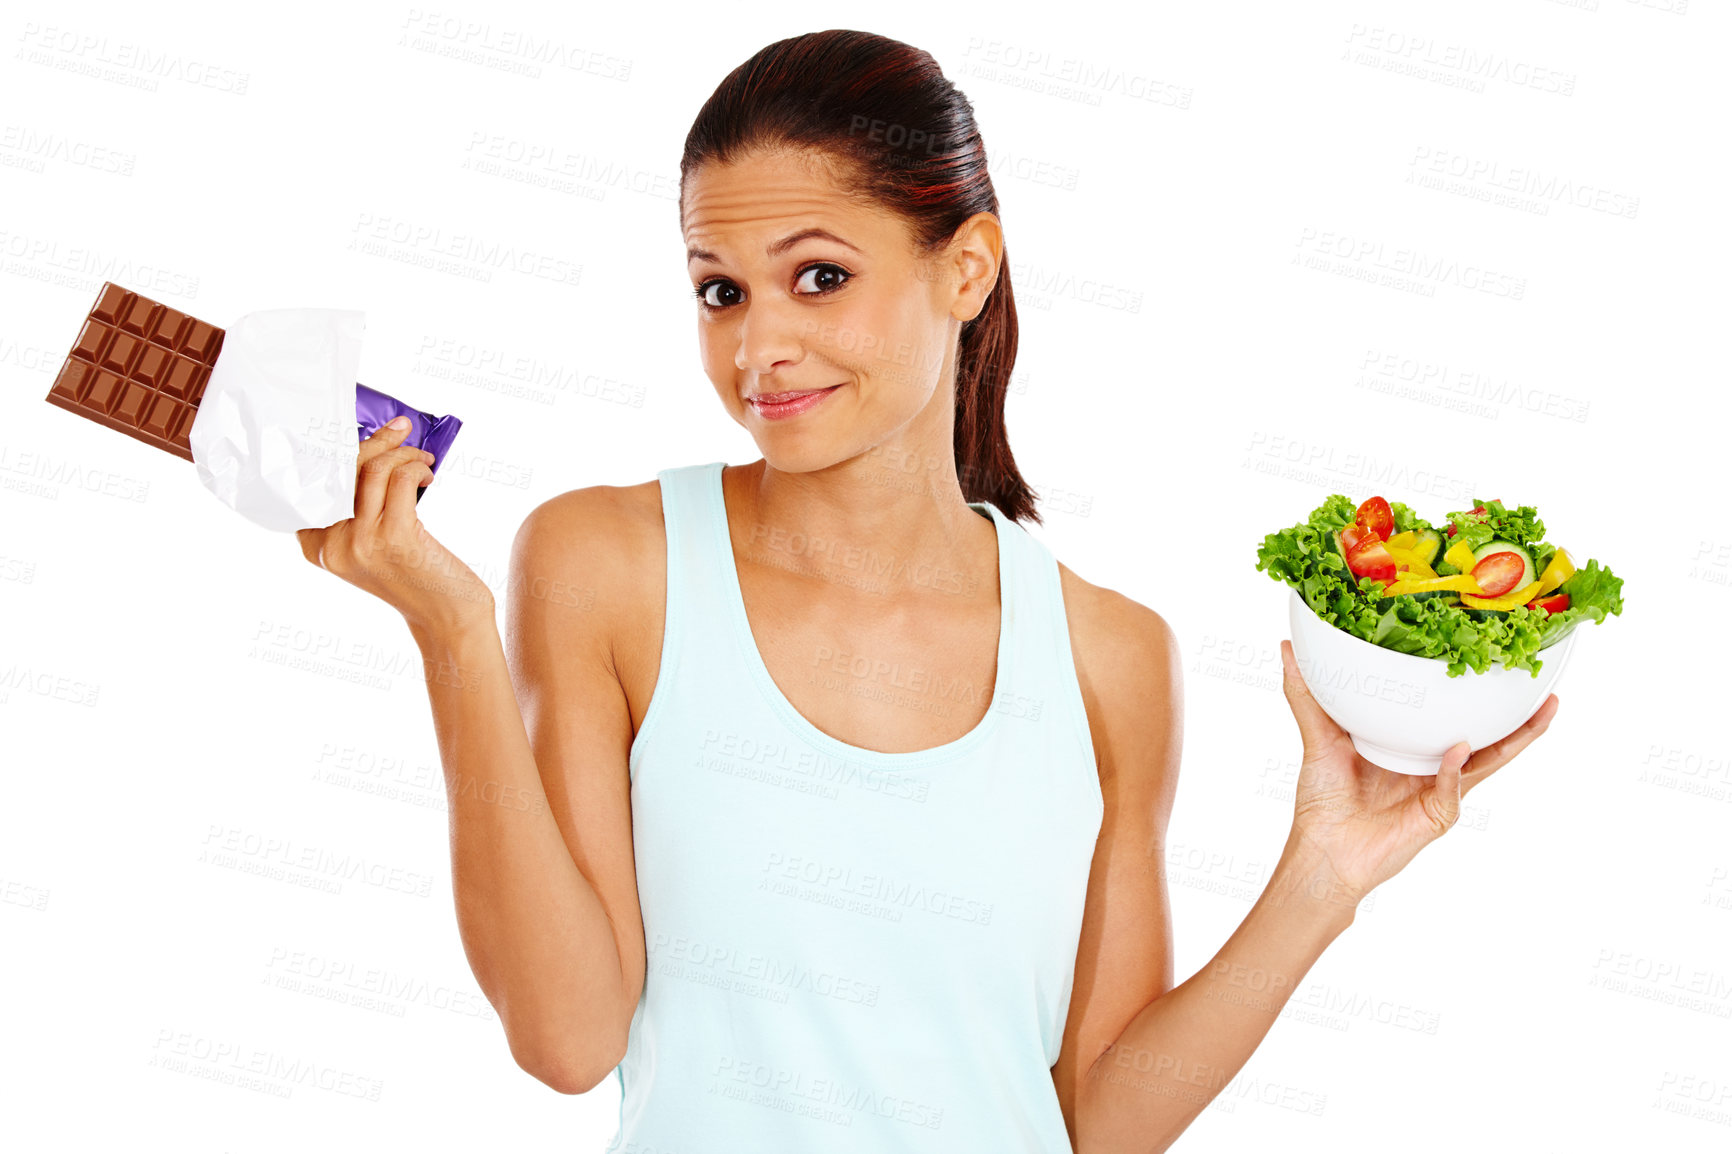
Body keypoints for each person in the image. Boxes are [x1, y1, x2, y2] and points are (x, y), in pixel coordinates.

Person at [296, 28, 1559, 1154]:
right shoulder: (606, 564)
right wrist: (451, 629)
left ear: (967, 268)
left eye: (819, 275)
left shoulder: (1109, 652)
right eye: (718, 289)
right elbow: (567, 1038)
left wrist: (1320, 875)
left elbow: (1100, 1119)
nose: (757, 346)